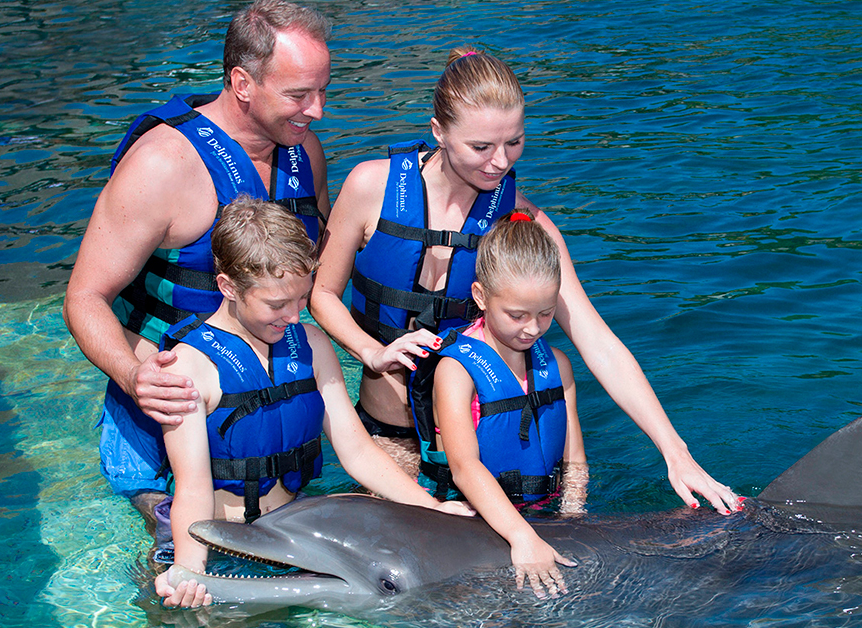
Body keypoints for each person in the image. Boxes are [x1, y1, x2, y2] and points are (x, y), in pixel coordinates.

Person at [310, 46, 741, 514]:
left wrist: (675, 452)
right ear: (439, 131)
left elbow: (598, 342)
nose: (500, 162)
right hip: (389, 435)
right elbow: (322, 294)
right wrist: (371, 352)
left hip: (483, 447)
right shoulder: (369, 187)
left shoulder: (524, 224)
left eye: (513, 142)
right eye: (481, 146)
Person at [62, 0, 332, 524]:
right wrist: (135, 374)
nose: (317, 110)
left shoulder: (304, 153)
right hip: (172, 413)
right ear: (242, 82)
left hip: (267, 412)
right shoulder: (163, 166)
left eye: (323, 90)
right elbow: (83, 297)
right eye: (299, 94)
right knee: (177, 583)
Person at [153, 196, 471, 608]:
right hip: (216, 538)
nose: (293, 315)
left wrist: (431, 509)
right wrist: (191, 574)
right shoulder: (186, 368)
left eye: (301, 299)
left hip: (288, 536)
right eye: (276, 304)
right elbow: (192, 489)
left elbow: (356, 450)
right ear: (228, 286)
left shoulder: (312, 345)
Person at [409, 213, 586, 599]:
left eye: (546, 313)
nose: (533, 328)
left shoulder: (557, 364)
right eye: (517, 315)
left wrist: (575, 518)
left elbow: (574, 456)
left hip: (546, 511)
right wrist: (522, 535)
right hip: (470, 522)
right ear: (481, 297)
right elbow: (464, 467)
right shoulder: (457, 371)